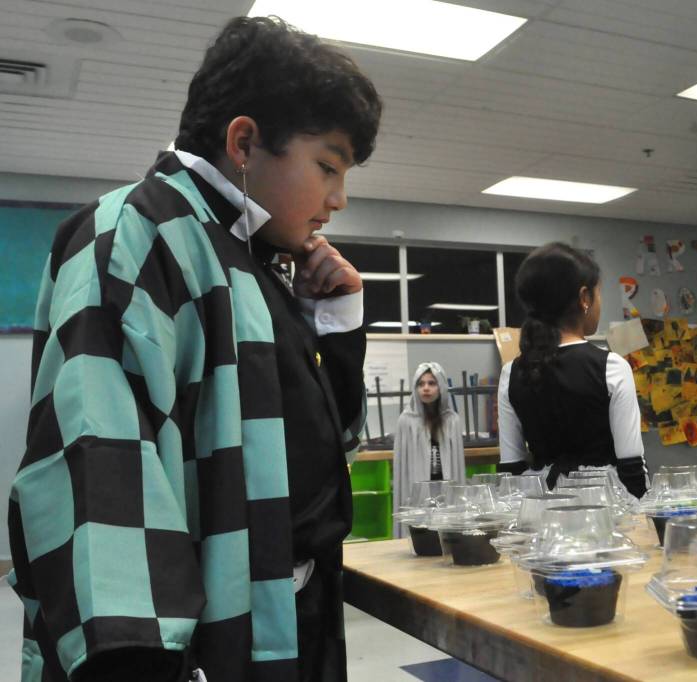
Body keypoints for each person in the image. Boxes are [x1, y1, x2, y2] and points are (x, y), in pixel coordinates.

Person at [7, 16, 381, 682]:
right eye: (327, 165)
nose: (338, 200)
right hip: (201, 646)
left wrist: (337, 322)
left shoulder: (246, 260)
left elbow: (327, 448)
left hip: (290, 614)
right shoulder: (138, 232)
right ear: (244, 142)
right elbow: (100, 464)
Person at [497, 242, 648, 497]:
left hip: (542, 509)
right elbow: (632, 466)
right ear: (585, 298)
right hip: (602, 508)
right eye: (599, 294)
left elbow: (511, 470)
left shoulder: (511, 372)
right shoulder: (611, 367)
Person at [392, 362, 466, 536]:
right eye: (421, 384)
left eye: (431, 383)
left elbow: (457, 466)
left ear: (441, 386)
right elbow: (403, 468)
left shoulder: (452, 420)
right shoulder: (406, 420)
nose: (426, 388)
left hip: (444, 490)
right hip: (417, 490)